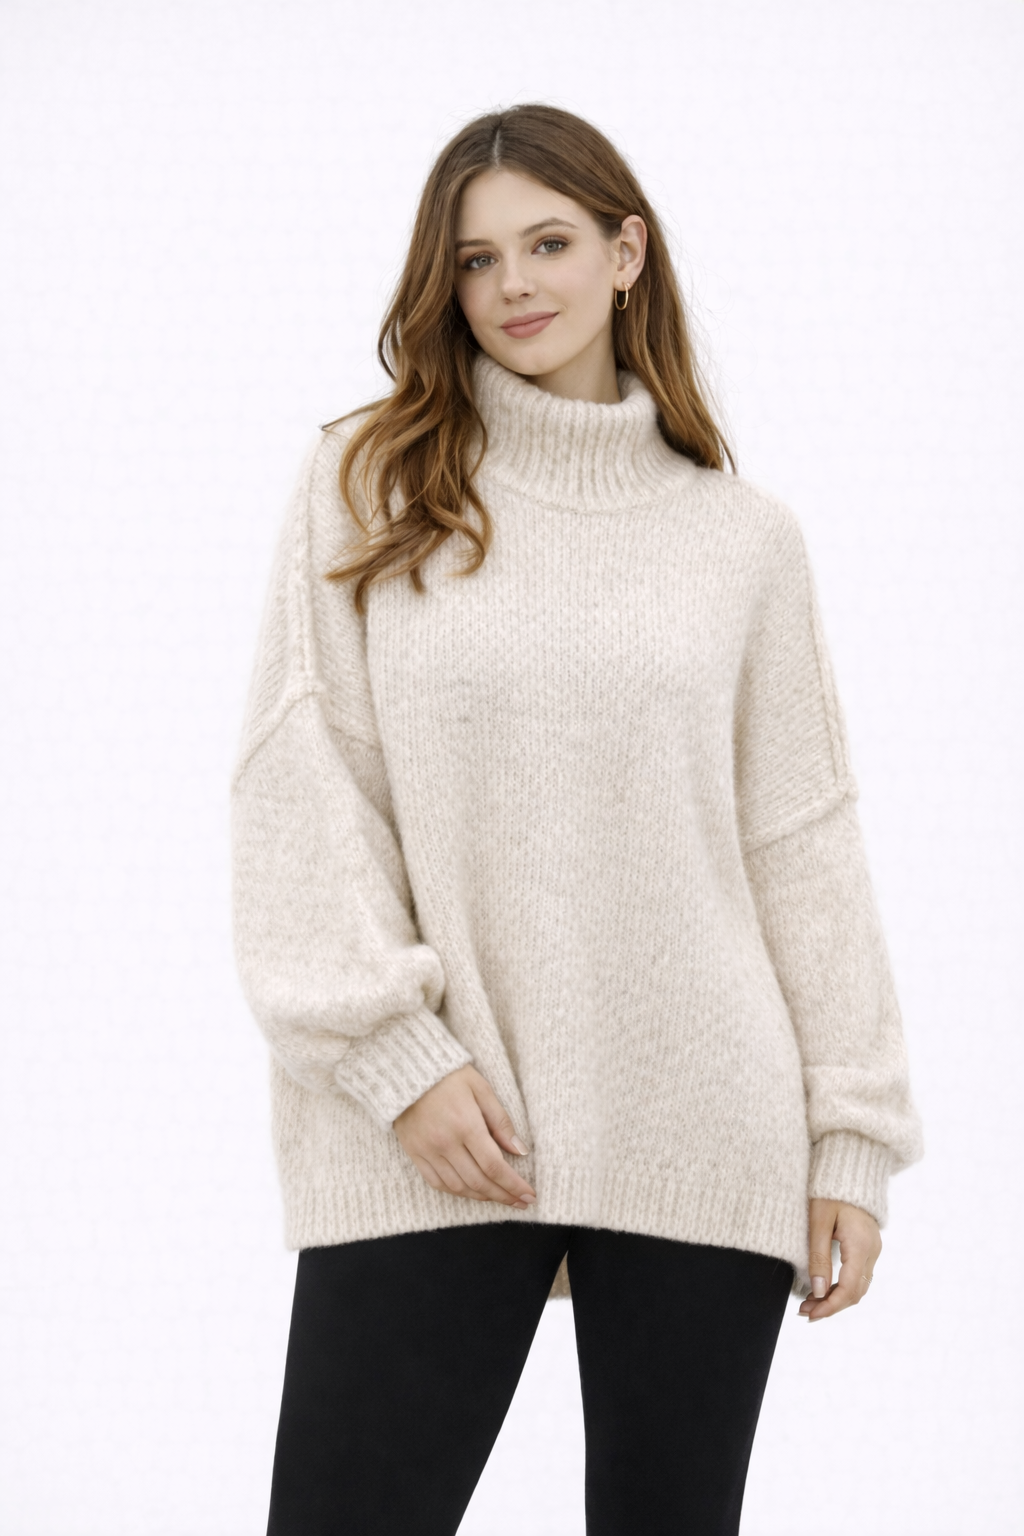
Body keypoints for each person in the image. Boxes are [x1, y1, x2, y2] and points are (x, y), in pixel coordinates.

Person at [231, 103, 923, 1536]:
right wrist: (394, 1057)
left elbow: (801, 843)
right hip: (438, 1124)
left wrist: (849, 1138)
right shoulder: (370, 482)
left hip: (703, 1122)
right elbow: (305, 787)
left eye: (547, 244)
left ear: (627, 253)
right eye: (476, 260)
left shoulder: (742, 540)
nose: (514, 287)